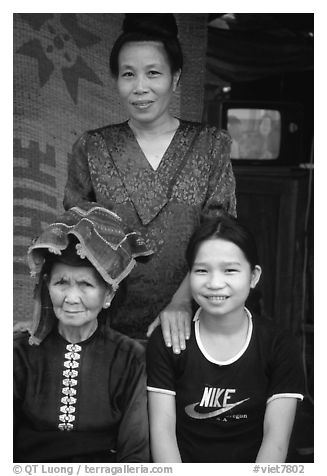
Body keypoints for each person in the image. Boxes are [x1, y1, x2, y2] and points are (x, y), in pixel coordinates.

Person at [63, 13, 236, 352]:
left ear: (175, 78)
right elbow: (77, 240)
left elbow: (220, 237)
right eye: (128, 74)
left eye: (153, 73)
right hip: (107, 332)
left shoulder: (210, 145)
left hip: (193, 325)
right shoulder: (93, 147)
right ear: (116, 79)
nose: (140, 87)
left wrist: (182, 302)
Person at [146, 212, 304, 463]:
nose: (215, 283)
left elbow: (276, 439)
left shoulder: (279, 345)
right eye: (202, 270)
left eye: (230, 270)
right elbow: (162, 432)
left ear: (253, 276)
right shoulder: (168, 340)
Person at [14, 204, 151, 463]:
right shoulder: (20, 353)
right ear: (47, 286)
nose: (71, 298)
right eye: (61, 283)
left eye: (86, 285)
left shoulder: (130, 358)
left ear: (109, 294)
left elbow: (135, 453)